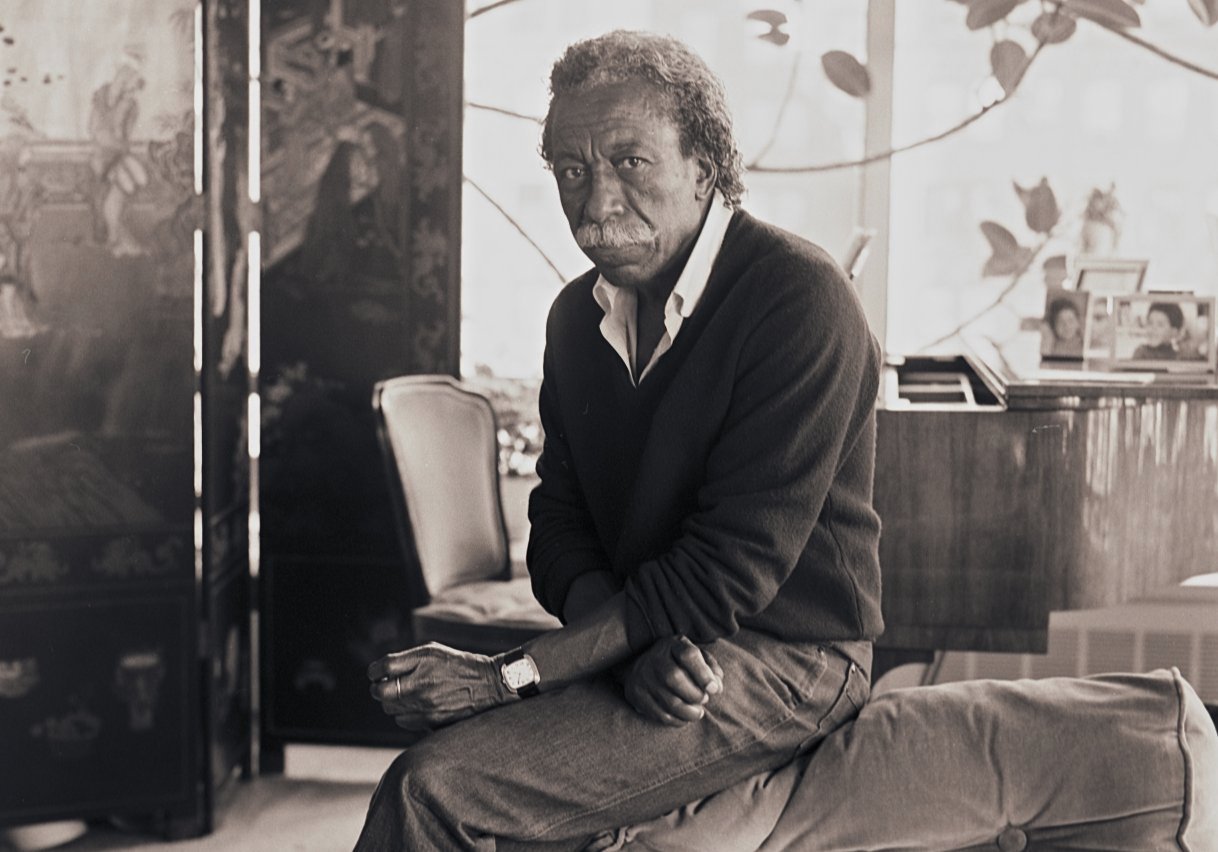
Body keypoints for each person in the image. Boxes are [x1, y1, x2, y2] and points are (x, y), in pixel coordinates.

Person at [354, 30, 883, 851]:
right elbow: (558, 533)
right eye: (571, 170)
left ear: (706, 167)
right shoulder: (575, 319)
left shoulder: (802, 300)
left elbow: (724, 575)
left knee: (434, 789)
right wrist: (629, 652)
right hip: (661, 633)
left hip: (793, 657)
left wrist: (509, 676)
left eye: (630, 162)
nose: (594, 202)